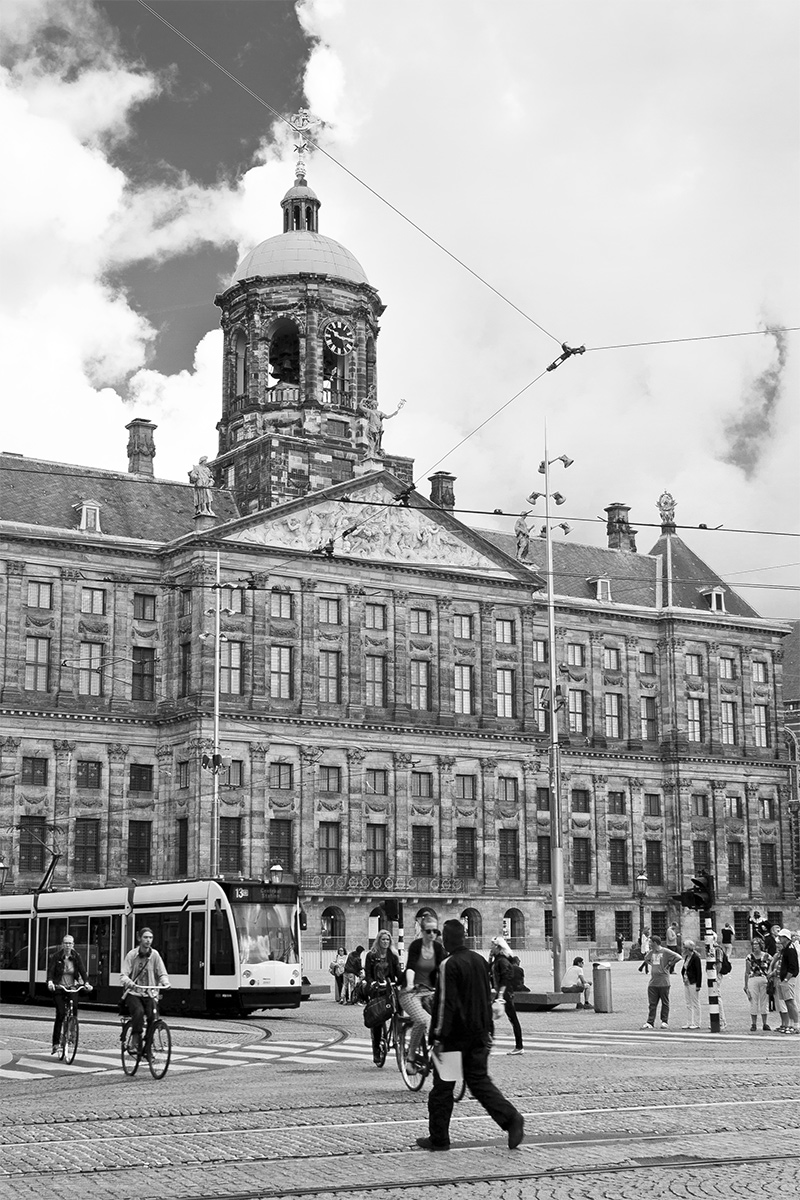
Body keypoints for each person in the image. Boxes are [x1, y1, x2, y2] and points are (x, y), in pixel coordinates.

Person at [418, 918, 524, 1152]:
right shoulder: (479, 961)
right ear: (464, 938)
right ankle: (512, 1119)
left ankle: (439, 1138)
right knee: (479, 1082)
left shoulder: (448, 964)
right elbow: (485, 994)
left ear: (446, 940)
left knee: (443, 1088)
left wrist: (437, 1035)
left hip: (453, 1037)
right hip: (479, 1031)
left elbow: (445, 1004)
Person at [400, 918, 446, 1072]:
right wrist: (410, 984)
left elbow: (442, 969)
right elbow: (411, 967)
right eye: (429, 931)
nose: (432, 934)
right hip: (411, 992)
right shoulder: (416, 946)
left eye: (435, 931)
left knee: (444, 1019)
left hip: (430, 991)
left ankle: (437, 1054)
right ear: (422, 931)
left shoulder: (438, 948)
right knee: (421, 1020)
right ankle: (411, 1058)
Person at [121, 928, 170, 1055]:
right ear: (139, 938)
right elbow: (123, 975)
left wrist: (165, 982)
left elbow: (162, 973)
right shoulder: (132, 955)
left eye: (150, 938)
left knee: (152, 1016)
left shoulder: (155, 955)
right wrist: (130, 983)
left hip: (149, 993)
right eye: (145, 937)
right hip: (134, 993)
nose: (148, 940)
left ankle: (148, 1046)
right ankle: (135, 1040)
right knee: (139, 1011)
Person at [47, 934, 92, 1054]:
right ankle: (56, 1043)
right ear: (62, 944)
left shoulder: (76, 956)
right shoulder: (57, 956)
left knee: (74, 1008)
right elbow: (51, 971)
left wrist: (86, 983)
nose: (68, 945)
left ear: (73, 945)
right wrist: (50, 982)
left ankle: (72, 1033)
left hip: (72, 987)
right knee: (61, 1013)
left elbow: (82, 970)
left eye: (70, 943)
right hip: (59, 987)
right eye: (66, 943)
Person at [364, 930, 404, 1064]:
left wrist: (403, 980)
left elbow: (398, 972)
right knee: (378, 1020)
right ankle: (376, 1049)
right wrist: (372, 983)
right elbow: (368, 974)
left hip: (390, 988)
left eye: (387, 939)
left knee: (398, 1010)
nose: (385, 942)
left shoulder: (392, 956)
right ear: (378, 941)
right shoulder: (371, 955)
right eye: (383, 939)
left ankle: (399, 1037)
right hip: (377, 990)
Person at [489, 936, 524, 1054]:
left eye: (492, 945)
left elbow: (505, 978)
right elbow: (489, 971)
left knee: (511, 1018)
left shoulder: (502, 961)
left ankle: (518, 1046)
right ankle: (518, 1046)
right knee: (511, 1018)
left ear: (498, 947)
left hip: (504, 993)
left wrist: (500, 995)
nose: (491, 948)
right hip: (503, 992)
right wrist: (490, 957)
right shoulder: (498, 960)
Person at [638, 935, 681, 1030]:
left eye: (650, 942)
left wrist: (669, 964)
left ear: (655, 943)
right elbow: (646, 958)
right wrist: (652, 964)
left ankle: (664, 1021)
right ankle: (650, 1022)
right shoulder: (651, 952)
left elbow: (678, 957)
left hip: (664, 982)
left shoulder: (665, 951)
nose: (649, 944)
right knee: (652, 1004)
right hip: (653, 982)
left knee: (665, 1003)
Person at [743, 937, 772, 1032]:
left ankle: (765, 1023)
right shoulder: (749, 957)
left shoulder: (767, 956)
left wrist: (770, 976)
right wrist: (746, 985)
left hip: (764, 979)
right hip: (753, 979)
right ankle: (754, 1023)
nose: (755, 946)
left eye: (756, 944)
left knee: (764, 1001)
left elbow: (772, 966)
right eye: (753, 944)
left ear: (760, 945)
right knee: (753, 1001)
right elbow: (747, 972)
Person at [775, 928, 799, 1034]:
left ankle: (796, 1024)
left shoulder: (790, 949)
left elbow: (792, 967)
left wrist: (786, 979)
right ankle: (791, 1024)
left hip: (788, 979)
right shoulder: (786, 949)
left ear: (786, 938)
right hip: (784, 978)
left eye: (781, 937)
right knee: (787, 1002)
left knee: (791, 1002)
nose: (779, 938)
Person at [680, 939, 703, 1029]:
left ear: (688, 948)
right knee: (688, 1003)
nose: (683, 949)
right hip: (686, 981)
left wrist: (698, 985)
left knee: (695, 1002)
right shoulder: (687, 957)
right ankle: (689, 1022)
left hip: (693, 982)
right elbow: (684, 969)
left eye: (684, 948)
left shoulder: (695, 958)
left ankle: (697, 1022)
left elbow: (699, 972)